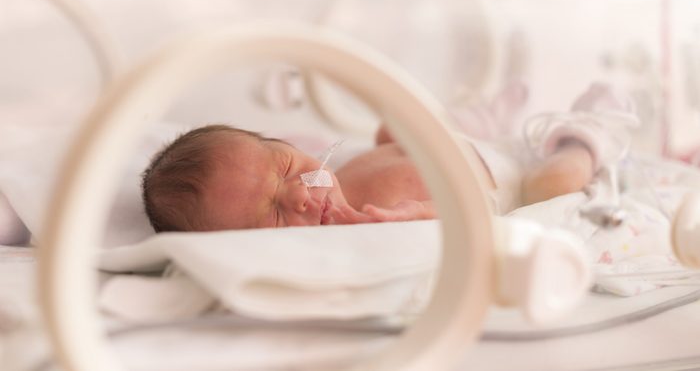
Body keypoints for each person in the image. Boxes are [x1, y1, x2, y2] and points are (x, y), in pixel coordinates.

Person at [141, 83, 636, 233]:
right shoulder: (363, 225)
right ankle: (590, 135)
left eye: (287, 167)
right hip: (516, 183)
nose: (300, 192)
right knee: (555, 187)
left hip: (469, 148)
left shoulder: (329, 166)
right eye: (272, 213)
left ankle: (486, 116)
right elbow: (467, 225)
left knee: (390, 130)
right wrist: (421, 218)